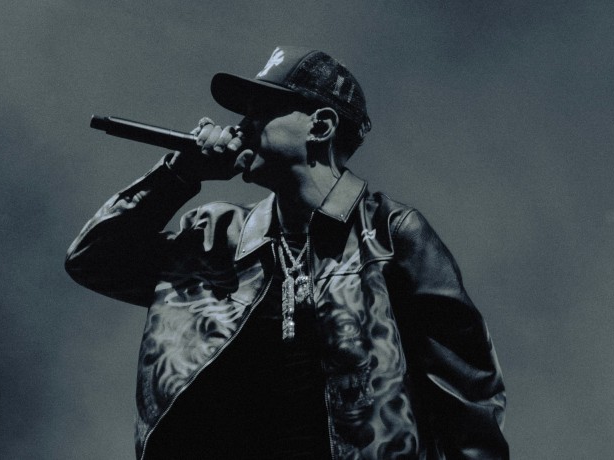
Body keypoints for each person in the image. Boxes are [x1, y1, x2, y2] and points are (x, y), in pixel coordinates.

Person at [66, 46, 509, 460]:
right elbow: (93, 261)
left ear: (321, 126)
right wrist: (181, 174)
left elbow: (469, 399)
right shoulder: (215, 236)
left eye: (262, 110)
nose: (240, 126)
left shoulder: (390, 236)